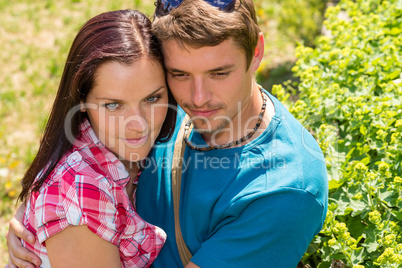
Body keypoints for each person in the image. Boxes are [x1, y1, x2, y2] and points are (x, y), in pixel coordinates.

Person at [7, 0, 329, 267]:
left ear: (257, 51)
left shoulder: (284, 190)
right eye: (179, 73)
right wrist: (42, 216)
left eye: (219, 73)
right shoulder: (158, 104)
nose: (198, 97)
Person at [6, 9, 178, 268]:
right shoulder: (80, 193)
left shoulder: (129, 149)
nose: (138, 124)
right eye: (113, 105)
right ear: (82, 100)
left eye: (152, 99)